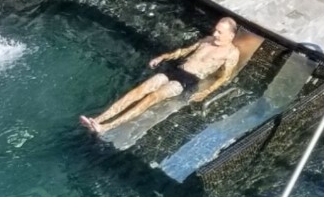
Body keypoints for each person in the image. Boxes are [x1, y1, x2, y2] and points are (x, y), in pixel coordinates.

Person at [80, 17, 254, 136]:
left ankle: (106, 127)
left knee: (152, 97)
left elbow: (224, 77)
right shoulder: (207, 40)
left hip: (189, 80)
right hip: (177, 70)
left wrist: (206, 92)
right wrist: (163, 57)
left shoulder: (232, 53)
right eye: (215, 30)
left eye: (219, 32)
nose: (215, 34)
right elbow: (184, 51)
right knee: (140, 90)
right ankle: (97, 119)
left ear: (231, 35)